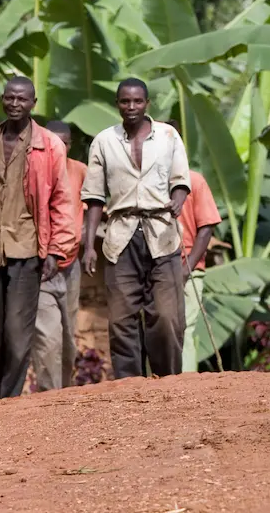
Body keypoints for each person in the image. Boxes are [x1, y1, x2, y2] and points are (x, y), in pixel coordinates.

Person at [0, 78, 77, 398]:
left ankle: (8, 398)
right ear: (2, 99)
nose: (15, 104)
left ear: (33, 103)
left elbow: (62, 201)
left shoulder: (49, 145)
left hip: (27, 249)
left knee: (17, 330)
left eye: (22, 99)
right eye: (9, 98)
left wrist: (56, 251)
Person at [82, 78, 191, 379]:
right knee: (121, 320)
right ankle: (129, 387)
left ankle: (168, 382)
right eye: (125, 101)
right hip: (120, 236)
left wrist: (178, 201)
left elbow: (181, 181)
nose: (131, 107)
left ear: (147, 104)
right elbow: (94, 197)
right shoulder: (104, 141)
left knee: (166, 318)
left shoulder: (168, 136)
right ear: (117, 104)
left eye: (137, 101)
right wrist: (89, 246)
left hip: (162, 234)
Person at [31, 120, 87, 391]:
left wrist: (89, 244)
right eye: (52, 141)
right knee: (47, 337)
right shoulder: (34, 169)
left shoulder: (80, 171)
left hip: (71, 264)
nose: (57, 147)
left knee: (68, 338)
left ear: (70, 145)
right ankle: (48, 395)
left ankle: (63, 396)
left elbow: (93, 207)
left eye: (63, 143)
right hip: (42, 266)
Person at [178, 160, 222, 372]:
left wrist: (186, 269)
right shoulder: (150, 180)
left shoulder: (194, 181)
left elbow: (206, 229)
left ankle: (185, 383)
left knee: (184, 329)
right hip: (157, 270)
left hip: (189, 268)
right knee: (158, 331)